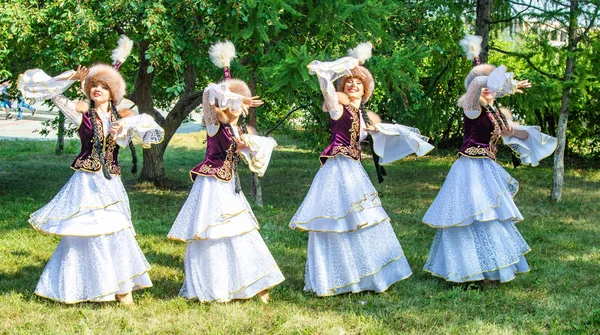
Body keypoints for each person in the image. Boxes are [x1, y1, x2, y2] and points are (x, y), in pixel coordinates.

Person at [17, 36, 164, 304]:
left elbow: (148, 130)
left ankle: (122, 289)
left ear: (112, 93)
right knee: (83, 232)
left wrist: (124, 129)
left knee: (116, 230)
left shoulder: (124, 120)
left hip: (110, 184)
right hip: (86, 182)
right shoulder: (81, 115)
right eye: (93, 85)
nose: (96, 89)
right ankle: (77, 288)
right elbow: (53, 94)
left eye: (103, 87)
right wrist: (72, 78)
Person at [289, 42, 433, 297]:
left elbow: (379, 136)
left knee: (362, 222)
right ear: (342, 87)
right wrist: (326, 72)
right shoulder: (338, 109)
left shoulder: (363, 116)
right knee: (336, 222)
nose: (353, 85)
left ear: (365, 89)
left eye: (358, 82)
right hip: (336, 171)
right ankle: (334, 278)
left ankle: (362, 275)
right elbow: (327, 91)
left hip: (355, 171)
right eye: (348, 82)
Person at [422, 35, 557, 283]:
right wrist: (487, 76)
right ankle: (467, 270)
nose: (485, 87)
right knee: (469, 217)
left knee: (490, 218)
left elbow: (517, 133)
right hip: (469, 169)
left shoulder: (496, 113)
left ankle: (489, 267)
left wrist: (521, 130)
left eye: (490, 85)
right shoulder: (472, 108)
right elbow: (475, 88)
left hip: (487, 168)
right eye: (482, 83)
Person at [168, 41, 284, 303]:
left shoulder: (238, 131)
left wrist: (249, 148)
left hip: (231, 186)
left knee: (240, 232)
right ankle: (213, 286)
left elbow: (252, 158)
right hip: (211, 186)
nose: (233, 108)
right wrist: (229, 94)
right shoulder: (212, 126)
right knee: (212, 234)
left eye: (238, 105)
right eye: (229, 103)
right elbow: (208, 93)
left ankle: (251, 282)